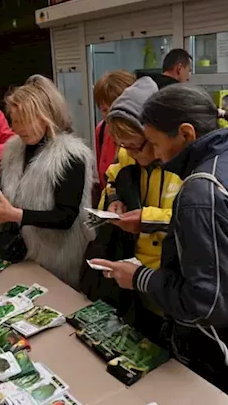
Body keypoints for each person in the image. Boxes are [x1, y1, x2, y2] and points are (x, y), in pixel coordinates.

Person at [93, 84, 228, 405]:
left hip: (213, 339)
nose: (153, 155)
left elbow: (206, 304)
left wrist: (137, 277)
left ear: (185, 133)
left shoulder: (200, 190)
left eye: (154, 144)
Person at [0, 75, 94, 289]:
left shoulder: (70, 156)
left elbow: (66, 217)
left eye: (25, 121)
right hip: (24, 253)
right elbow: (9, 192)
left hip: (59, 257)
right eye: (14, 120)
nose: (17, 128)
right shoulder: (13, 150)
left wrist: (15, 215)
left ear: (45, 117)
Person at [100, 76, 182, 341]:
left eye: (137, 146)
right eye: (124, 147)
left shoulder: (181, 163)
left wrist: (148, 219)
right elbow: (111, 180)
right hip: (133, 270)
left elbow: (193, 217)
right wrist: (113, 200)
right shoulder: (127, 153)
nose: (131, 154)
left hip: (171, 278)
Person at [92, 70, 136, 197]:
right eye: (105, 110)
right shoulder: (101, 130)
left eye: (115, 108)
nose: (111, 116)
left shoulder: (147, 135)